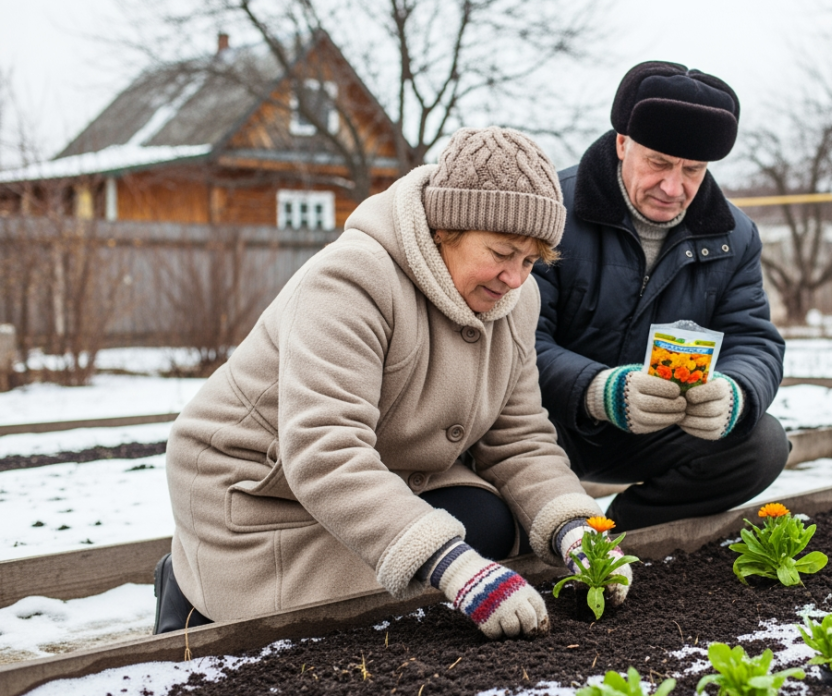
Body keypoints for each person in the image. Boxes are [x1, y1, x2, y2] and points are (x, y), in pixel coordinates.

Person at [154, 127, 628, 640]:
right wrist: (455, 567)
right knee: (364, 606)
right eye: (500, 252)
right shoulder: (351, 279)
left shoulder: (515, 301)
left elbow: (519, 439)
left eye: (530, 261)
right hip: (261, 486)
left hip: (383, 467)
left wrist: (578, 530)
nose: (515, 278)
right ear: (446, 229)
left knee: (491, 525)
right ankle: (190, 590)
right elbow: (325, 447)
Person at [534, 61, 788, 531]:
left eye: (693, 170)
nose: (674, 188)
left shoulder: (735, 236)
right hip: (549, 425)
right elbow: (518, 343)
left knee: (762, 443)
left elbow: (754, 341)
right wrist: (598, 391)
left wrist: (734, 393)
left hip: (659, 427)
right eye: (658, 163)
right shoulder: (551, 211)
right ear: (622, 144)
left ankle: (628, 532)